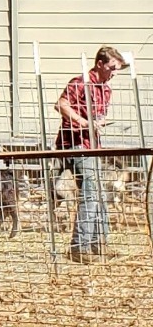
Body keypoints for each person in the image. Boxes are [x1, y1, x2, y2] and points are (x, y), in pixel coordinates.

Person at [55, 45, 128, 261]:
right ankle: (79, 247)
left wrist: (99, 122)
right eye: (112, 68)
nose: (114, 73)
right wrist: (83, 122)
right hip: (75, 143)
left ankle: (99, 244)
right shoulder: (80, 83)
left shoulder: (105, 90)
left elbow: (99, 115)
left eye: (117, 69)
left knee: (99, 194)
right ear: (99, 64)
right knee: (91, 192)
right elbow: (61, 105)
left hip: (92, 145)